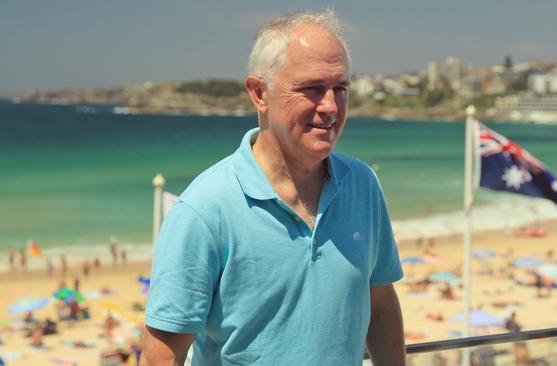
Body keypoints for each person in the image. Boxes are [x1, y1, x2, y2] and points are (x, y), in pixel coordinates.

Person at [142, 9, 404, 366]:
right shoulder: (204, 209)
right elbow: (163, 354)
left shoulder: (362, 185)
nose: (330, 107)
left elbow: (381, 307)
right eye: (312, 88)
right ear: (259, 93)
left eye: (340, 89)